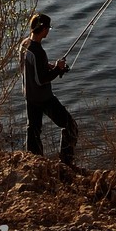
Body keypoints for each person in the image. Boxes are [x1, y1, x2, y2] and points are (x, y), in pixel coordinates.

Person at [19, 12, 78, 165]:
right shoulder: (38, 51)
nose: (48, 32)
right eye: (48, 29)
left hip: (29, 96)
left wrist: (50, 66)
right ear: (43, 29)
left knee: (33, 130)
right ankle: (66, 162)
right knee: (70, 126)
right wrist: (57, 69)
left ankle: (34, 162)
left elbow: (28, 69)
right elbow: (41, 79)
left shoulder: (24, 45)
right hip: (43, 98)